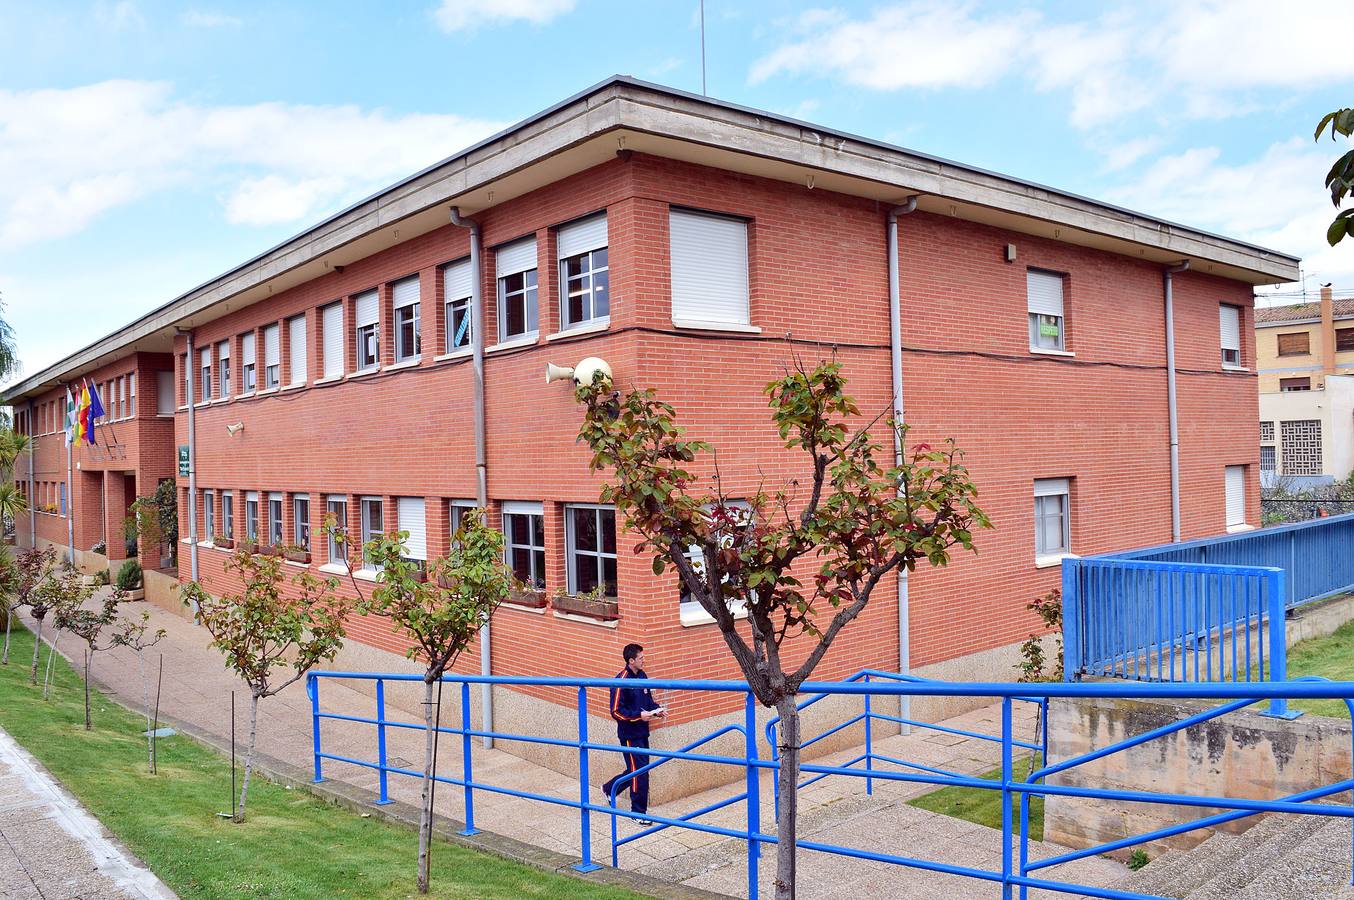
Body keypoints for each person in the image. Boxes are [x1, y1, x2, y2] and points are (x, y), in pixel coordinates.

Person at [601, 643, 667, 824]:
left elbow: (648, 701)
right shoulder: (621, 681)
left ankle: (609, 788)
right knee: (639, 773)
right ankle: (638, 813)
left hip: (642, 732)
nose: (644, 660)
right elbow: (616, 711)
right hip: (629, 735)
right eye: (641, 658)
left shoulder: (643, 676)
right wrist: (639, 716)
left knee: (637, 770)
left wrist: (656, 710)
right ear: (631, 660)